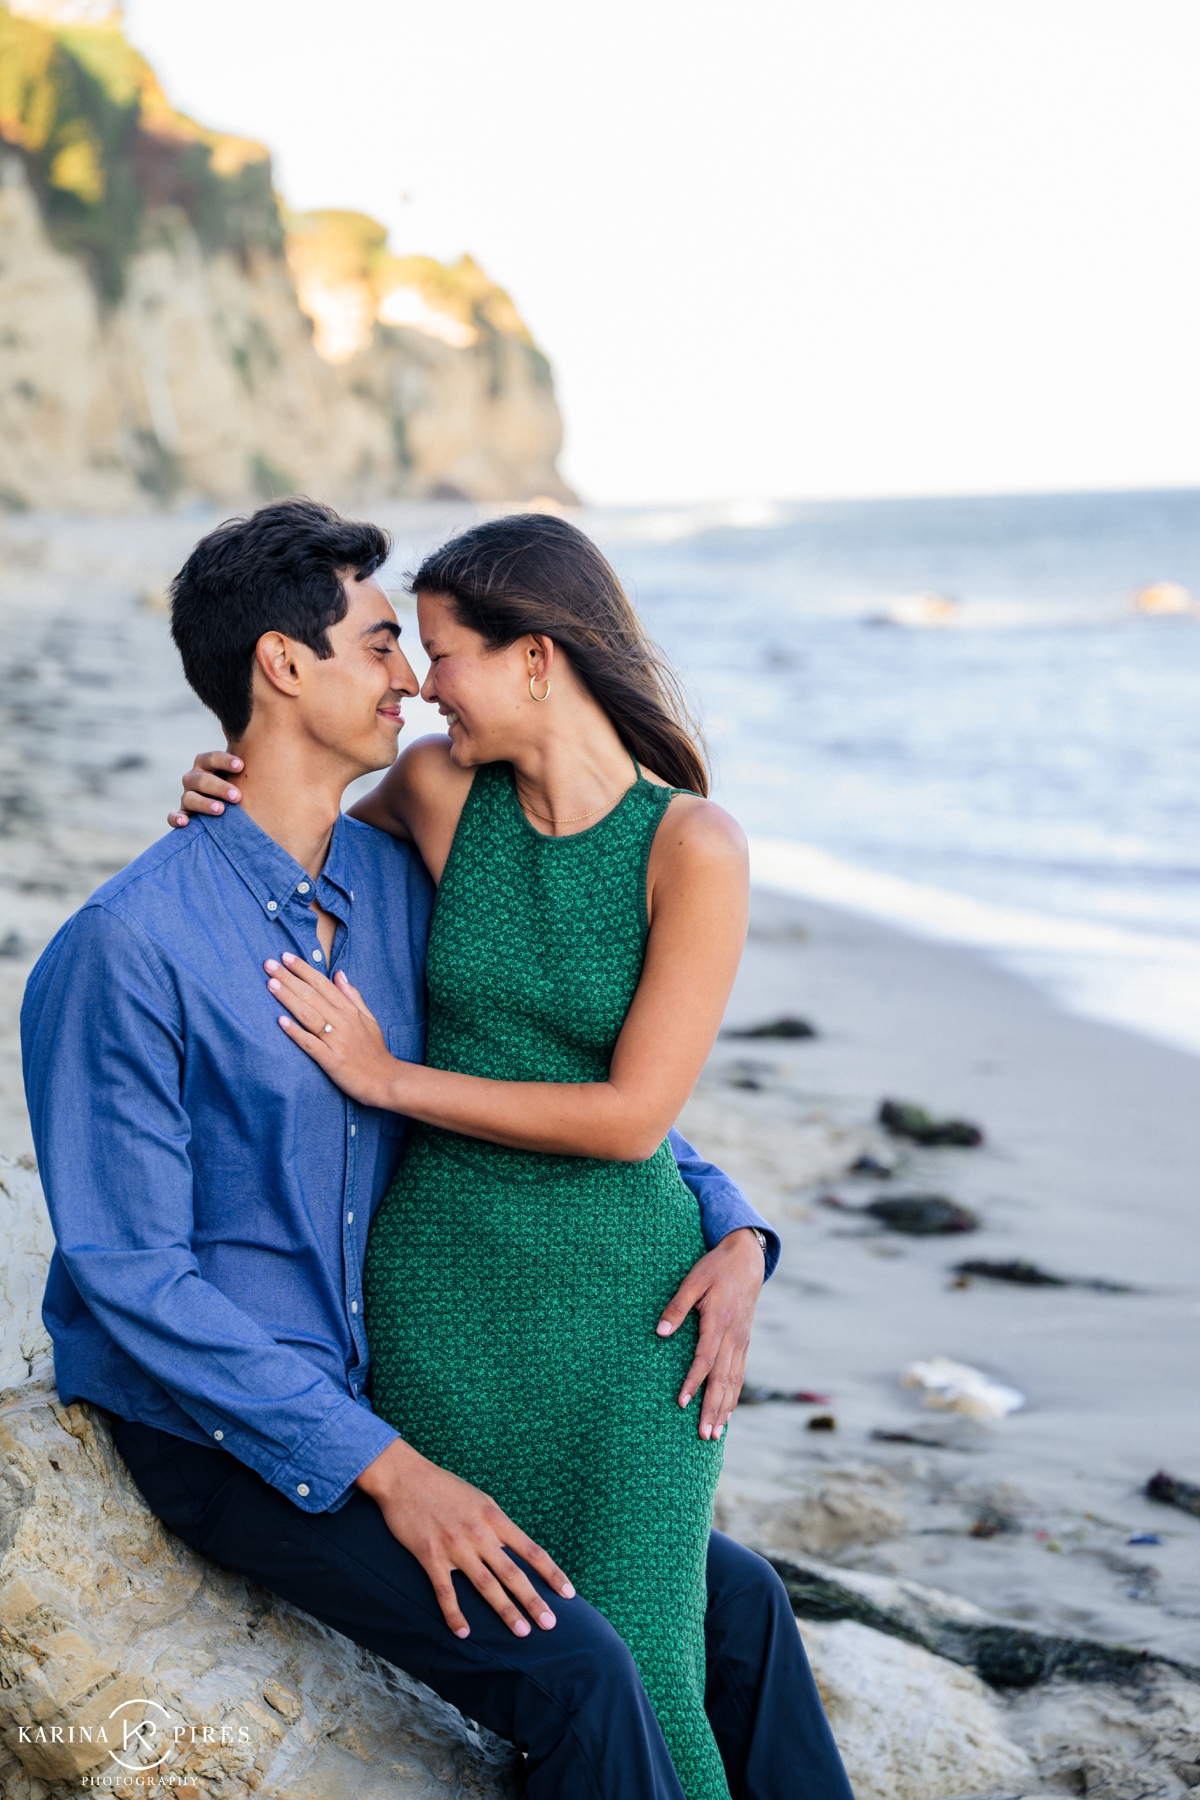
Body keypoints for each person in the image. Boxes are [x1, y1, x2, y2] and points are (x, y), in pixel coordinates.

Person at [25, 500, 852, 1800]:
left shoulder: (404, 885)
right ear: (284, 669)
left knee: (735, 1601)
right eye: (379, 645)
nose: (411, 677)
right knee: (581, 1669)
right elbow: (135, 1279)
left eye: (425, 647)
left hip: (393, 1370)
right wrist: (393, 1473)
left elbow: (571, 1089)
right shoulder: (128, 951)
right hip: (236, 1425)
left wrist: (735, 1225)